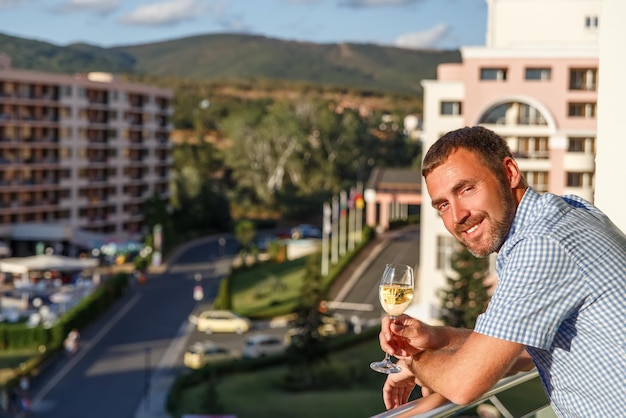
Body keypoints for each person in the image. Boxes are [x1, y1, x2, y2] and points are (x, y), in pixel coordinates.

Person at [378, 126, 626, 417]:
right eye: (443, 205)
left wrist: (414, 362)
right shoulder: (565, 211)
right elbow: (523, 350)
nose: (457, 216)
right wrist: (438, 338)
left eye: (466, 189)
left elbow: (463, 385)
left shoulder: (540, 245)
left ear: (509, 173)